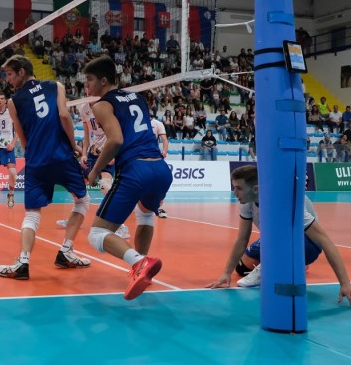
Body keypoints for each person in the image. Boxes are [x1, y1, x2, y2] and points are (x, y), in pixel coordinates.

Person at [83, 56, 173, 300]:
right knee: (144, 215)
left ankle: (139, 263)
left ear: (103, 80)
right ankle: (141, 270)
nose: (86, 86)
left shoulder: (101, 105)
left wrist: (93, 171)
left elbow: (116, 140)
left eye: (89, 80)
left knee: (97, 234)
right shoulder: (138, 97)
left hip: (136, 170)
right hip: (161, 170)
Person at [0, 55, 92, 281]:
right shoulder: (55, 86)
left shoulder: (13, 101)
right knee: (82, 200)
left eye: (9, 74)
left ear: (21, 72)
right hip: (61, 155)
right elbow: (64, 117)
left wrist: (34, 154)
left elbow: (22, 137)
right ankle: (66, 250)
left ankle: (23, 261)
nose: (8, 80)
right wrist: (74, 146)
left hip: (36, 160)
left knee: (32, 214)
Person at [206, 165, 351, 303]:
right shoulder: (246, 202)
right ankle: (290, 263)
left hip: (306, 243)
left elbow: (324, 240)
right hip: (274, 238)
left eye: (238, 188)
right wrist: (226, 273)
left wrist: (345, 282)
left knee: (279, 240)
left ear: (256, 189)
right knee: (242, 268)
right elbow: (242, 239)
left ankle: (277, 264)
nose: (234, 192)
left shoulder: (285, 203)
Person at [56, 100, 131, 239]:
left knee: (105, 186)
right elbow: (86, 135)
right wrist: (84, 153)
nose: (89, 90)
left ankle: (121, 226)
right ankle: (75, 217)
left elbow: (119, 131)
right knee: (76, 181)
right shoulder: (84, 108)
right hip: (93, 152)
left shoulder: (107, 105)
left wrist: (114, 152)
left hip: (108, 150)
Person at [150, 115, 170, 217]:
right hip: (138, 155)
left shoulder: (157, 124)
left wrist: (164, 151)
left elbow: (164, 140)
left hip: (154, 155)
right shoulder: (133, 122)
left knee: (163, 180)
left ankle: (159, 206)